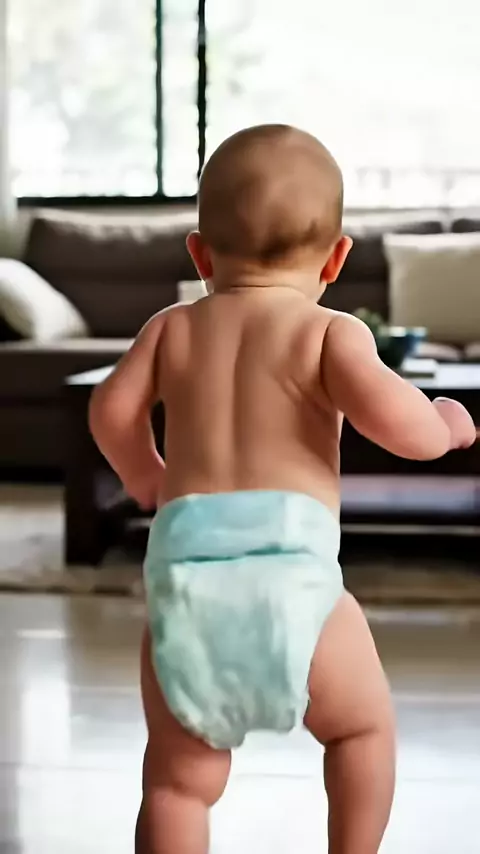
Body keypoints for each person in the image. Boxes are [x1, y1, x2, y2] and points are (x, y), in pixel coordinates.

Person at [89, 124, 477, 854]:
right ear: (336, 258)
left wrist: (145, 473)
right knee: (360, 731)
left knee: (177, 783)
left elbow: (110, 411)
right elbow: (406, 430)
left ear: (200, 255)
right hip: (295, 582)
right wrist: (448, 426)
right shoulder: (331, 333)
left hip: (187, 584)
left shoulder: (169, 329)